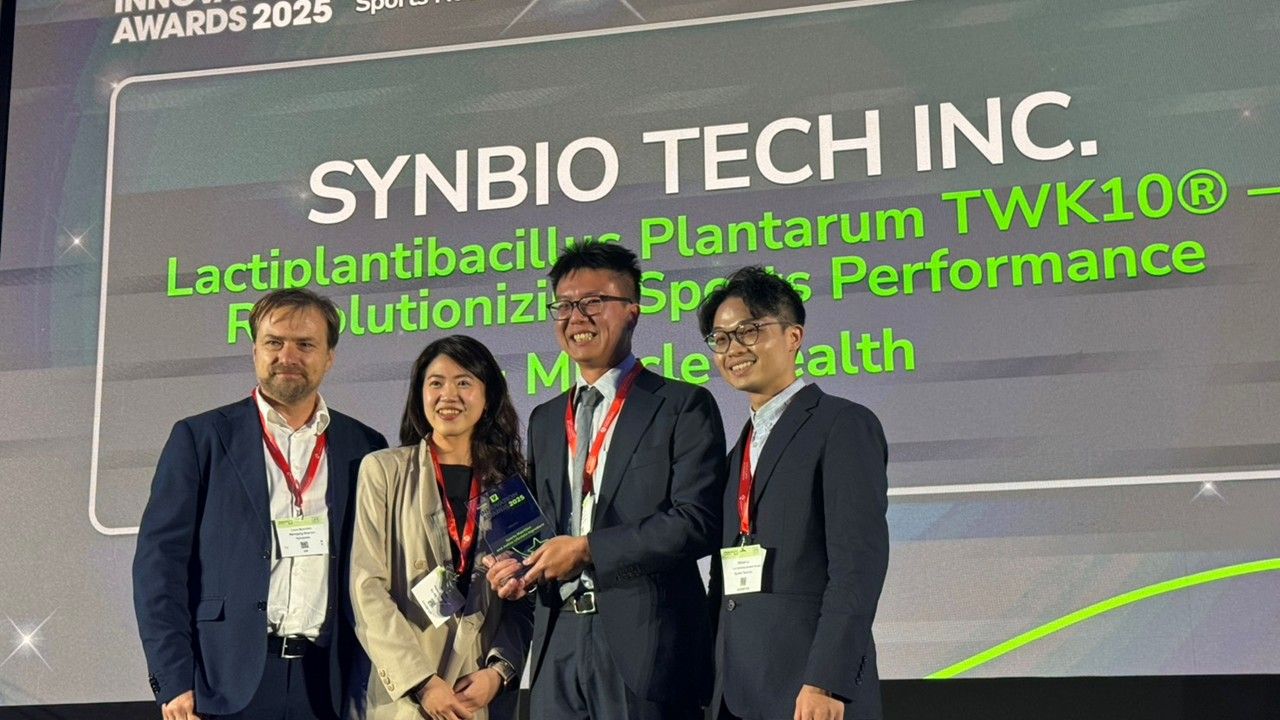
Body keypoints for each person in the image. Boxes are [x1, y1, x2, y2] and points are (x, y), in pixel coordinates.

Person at [485, 241, 726, 720]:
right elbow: (547, 528)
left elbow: (697, 522)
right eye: (564, 305)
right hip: (558, 645)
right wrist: (520, 567)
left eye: (593, 302)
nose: (576, 317)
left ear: (632, 310)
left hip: (645, 645)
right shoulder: (545, 419)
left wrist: (589, 549)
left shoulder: (682, 406)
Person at [133, 289, 388, 720]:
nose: (288, 356)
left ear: (329, 358)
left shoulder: (364, 446)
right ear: (255, 351)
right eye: (274, 342)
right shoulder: (201, 438)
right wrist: (173, 680)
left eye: (305, 344)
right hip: (223, 683)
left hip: (328, 684)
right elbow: (159, 568)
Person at [698, 267, 889, 720]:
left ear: (793, 336)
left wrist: (825, 680)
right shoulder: (737, 453)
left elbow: (858, 565)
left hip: (809, 690)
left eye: (749, 331)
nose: (733, 349)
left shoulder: (841, 424)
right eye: (720, 339)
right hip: (735, 693)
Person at [349, 335, 533, 720]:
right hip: (407, 697)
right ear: (420, 395)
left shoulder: (512, 485)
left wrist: (499, 672)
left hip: (480, 694)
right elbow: (368, 588)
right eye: (436, 383)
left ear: (488, 396)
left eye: (464, 382)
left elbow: (525, 597)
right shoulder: (383, 471)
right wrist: (421, 681)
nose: (448, 395)